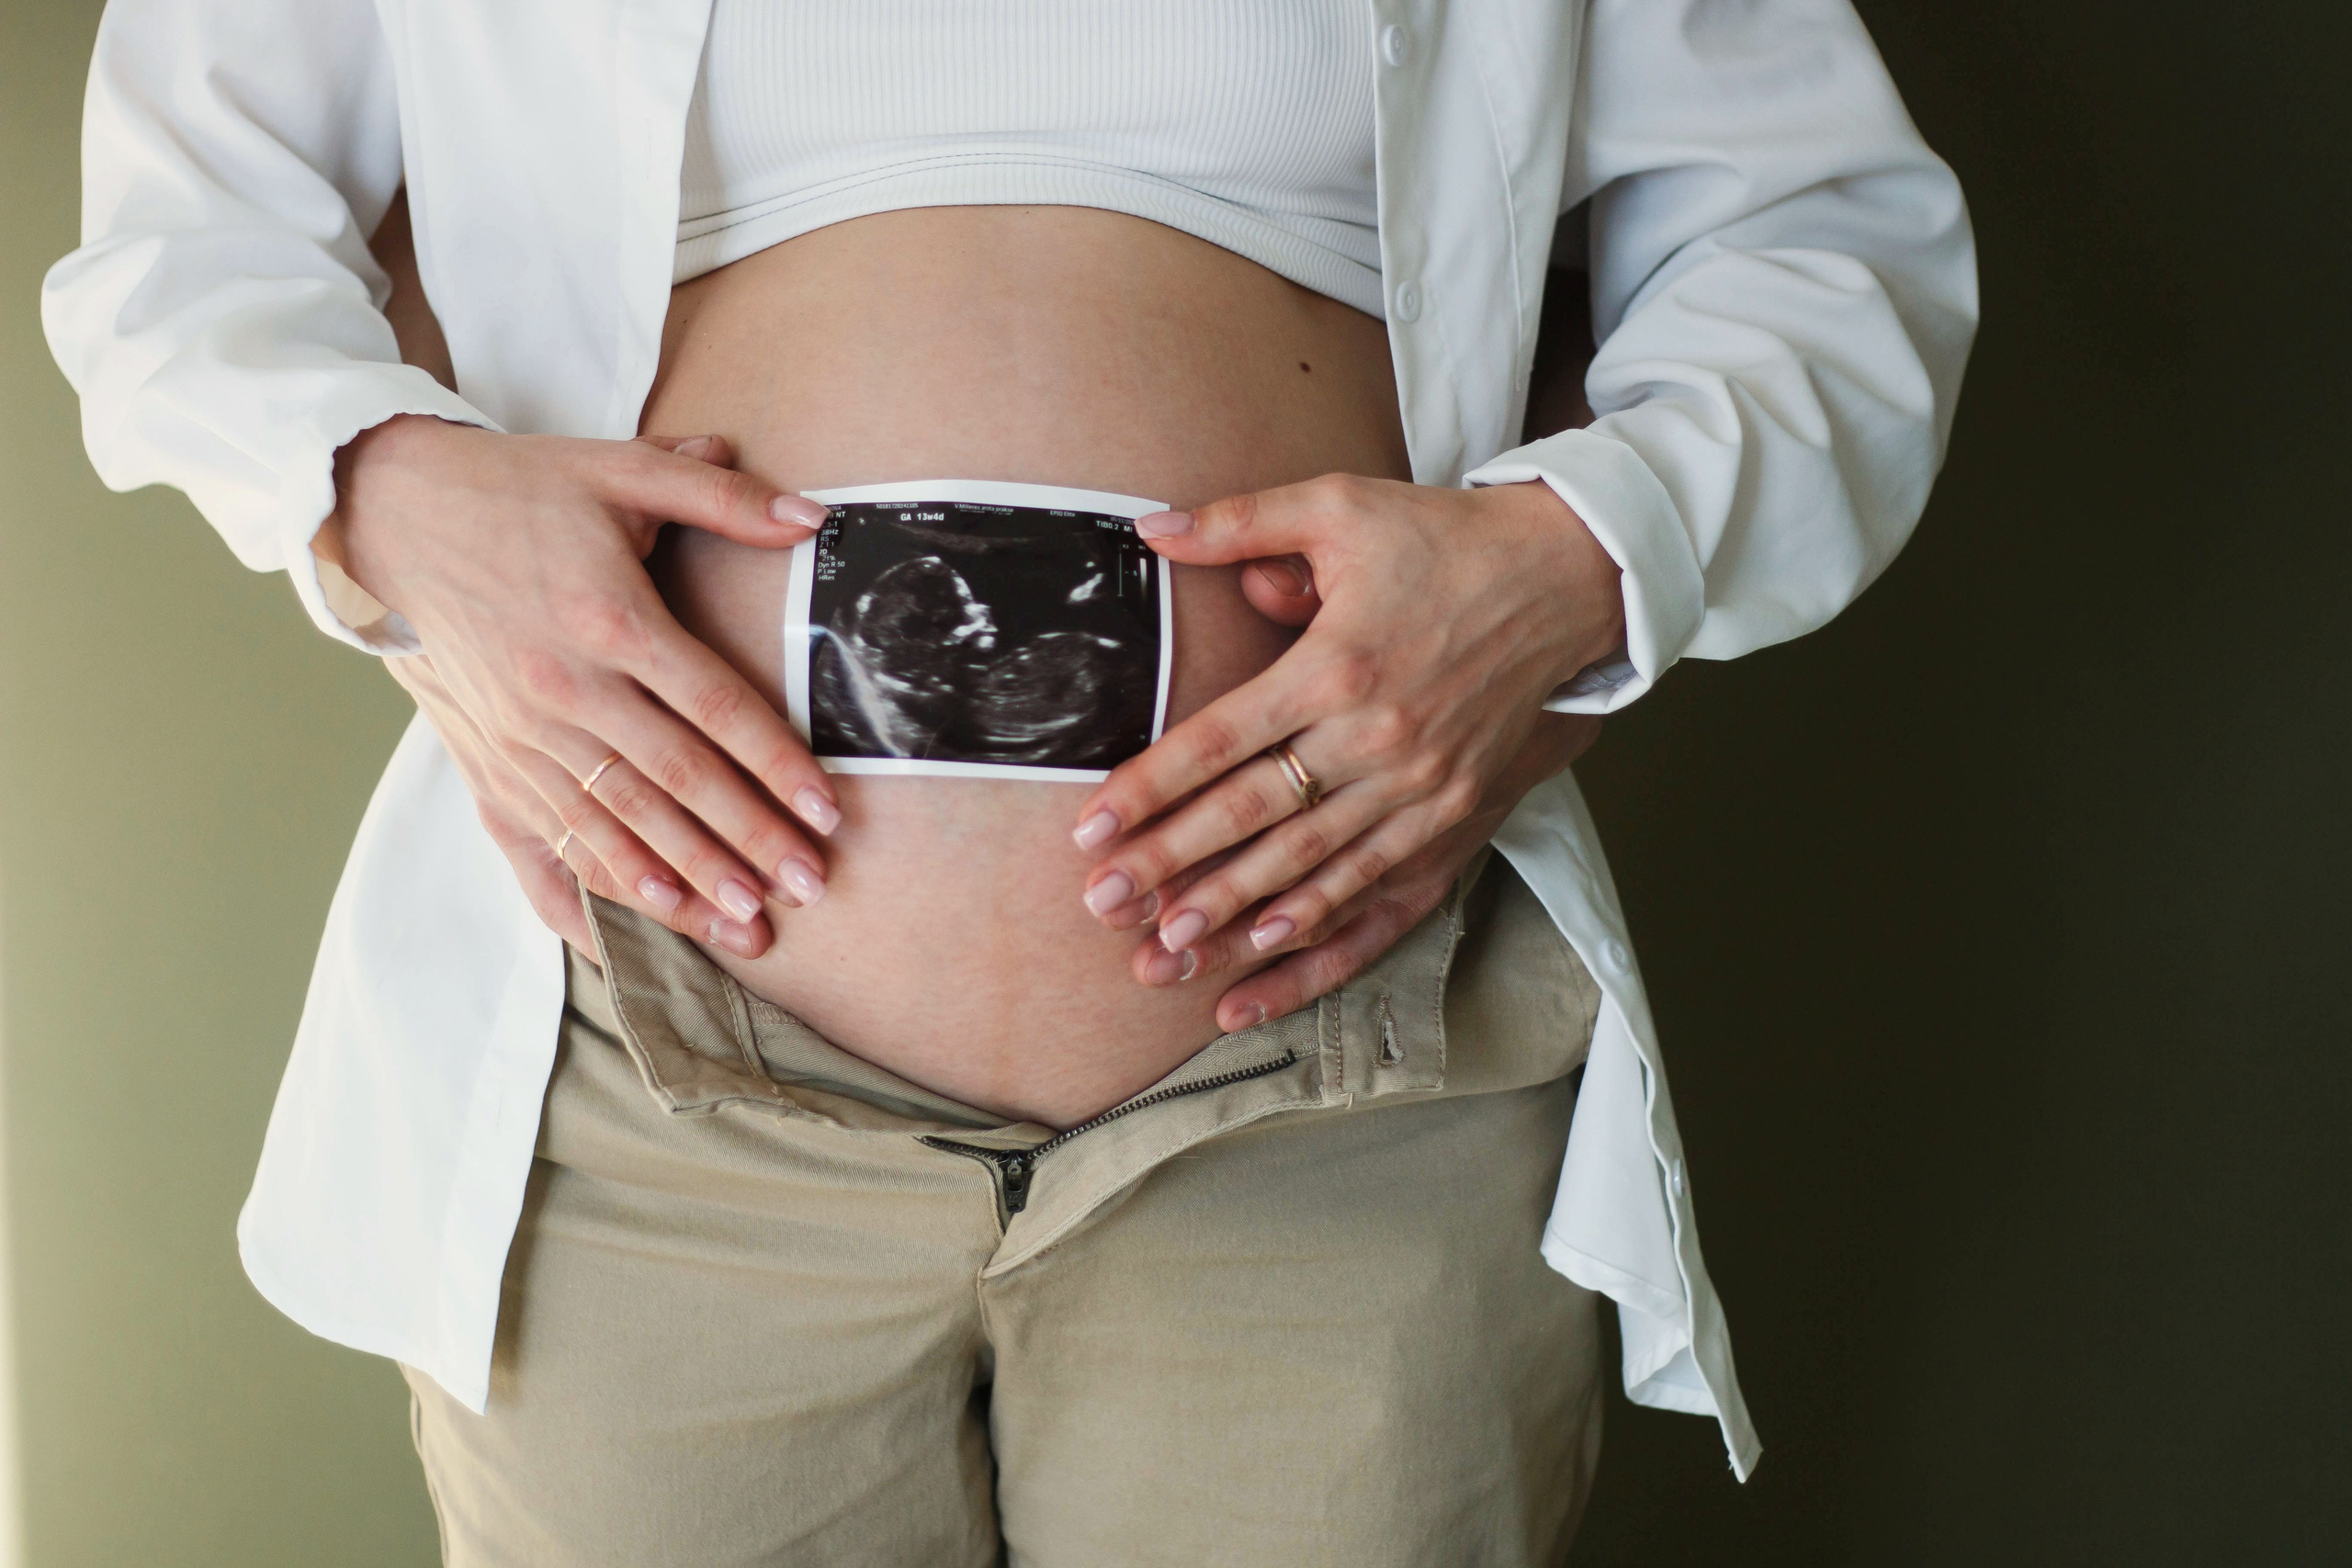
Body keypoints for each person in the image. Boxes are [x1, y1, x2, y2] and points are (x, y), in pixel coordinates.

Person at [42, 0, 1975, 1561]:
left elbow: (1821, 248)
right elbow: (177, 234)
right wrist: (378, 489)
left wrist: (1567, 557)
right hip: (648, 1088)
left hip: (1334, 1098)